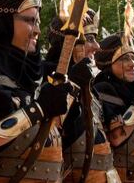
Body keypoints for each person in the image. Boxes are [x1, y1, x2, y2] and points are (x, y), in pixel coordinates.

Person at [0, 0, 72, 182]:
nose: (37, 31)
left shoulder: (34, 72)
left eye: (38, 22)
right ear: (5, 22)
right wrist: (39, 109)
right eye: (30, 20)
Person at [44, 9, 120, 182]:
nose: (97, 46)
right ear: (69, 43)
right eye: (90, 39)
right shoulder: (43, 77)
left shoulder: (90, 87)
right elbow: (48, 131)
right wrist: (72, 84)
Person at [93, 33, 134, 182]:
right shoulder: (102, 88)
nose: (132, 64)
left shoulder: (133, 91)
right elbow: (116, 138)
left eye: (132, 57)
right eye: (124, 59)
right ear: (109, 63)